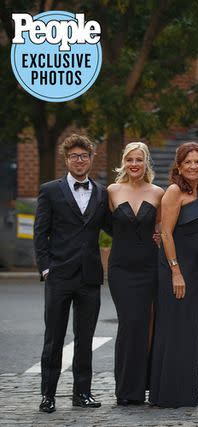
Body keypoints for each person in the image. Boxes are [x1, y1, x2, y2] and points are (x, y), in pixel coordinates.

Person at [33, 134, 111, 413]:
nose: (80, 160)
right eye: (74, 156)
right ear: (66, 160)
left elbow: (114, 227)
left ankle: (82, 393)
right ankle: (48, 395)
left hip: (90, 276)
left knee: (85, 338)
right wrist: (45, 268)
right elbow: (40, 233)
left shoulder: (102, 193)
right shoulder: (50, 191)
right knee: (53, 337)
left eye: (84, 156)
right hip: (59, 275)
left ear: (91, 159)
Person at [149, 142, 198, 408]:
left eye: (197, 162)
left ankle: (185, 392)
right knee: (171, 328)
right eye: (188, 162)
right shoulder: (174, 191)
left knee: (188, 331)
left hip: (195, 269)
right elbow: (165, 232)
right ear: (179, 166)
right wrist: (175, 271)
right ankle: (166, 392)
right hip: (175, 267)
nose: (193, 167)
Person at [107, 142, 164, 405]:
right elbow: (106, 226)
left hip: (149, 267)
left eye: (139, 160)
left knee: (144, 326)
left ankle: (141, 387)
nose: (134, 164)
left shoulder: (158, 193)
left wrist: (159, 239)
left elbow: (163, 229)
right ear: (123, 162)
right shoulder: (112, 191)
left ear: (146, 163)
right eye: (129, 159)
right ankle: (126, 389)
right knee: (130, 324)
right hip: (121, 269)